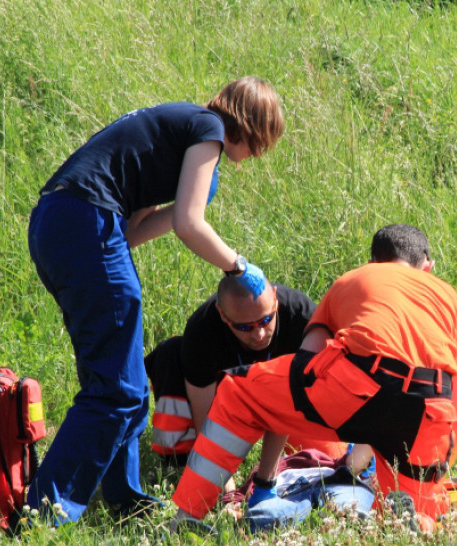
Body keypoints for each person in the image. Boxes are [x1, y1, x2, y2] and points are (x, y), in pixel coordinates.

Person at [26, 77, 283, 523]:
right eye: (261, 143)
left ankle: (124, 501)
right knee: (119, 391)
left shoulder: (184, 139)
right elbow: (189, 224)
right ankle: (44, 514)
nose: (258, 156)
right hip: (86, 220)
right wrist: (239, 266)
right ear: (248, 124)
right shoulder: (208, 128)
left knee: (123, 381)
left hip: (57, 224)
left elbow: (133, 232)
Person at [171, 224, 457, 529]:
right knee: (412, 514)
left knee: (240, 391)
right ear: (428, 268)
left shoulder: (354, 278)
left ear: (373, 263)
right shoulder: (454, 302)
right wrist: (431, 466)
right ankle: (412, 522)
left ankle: (189, 515)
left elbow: (304, 366)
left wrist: (267, 467)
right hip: (429, 412)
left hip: (359, 383)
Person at [144, 274, 346, 466]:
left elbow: (329, 387)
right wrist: (224, 484)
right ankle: (179, 456)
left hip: (289, 396)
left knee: (326, 462)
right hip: (224, 395)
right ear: (223, 315)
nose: (258, 334)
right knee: (169, 354)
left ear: (275, 301)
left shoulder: (302, 317)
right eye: (244, 327)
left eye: (265, 321)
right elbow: (203, 415)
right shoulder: (202, 330)